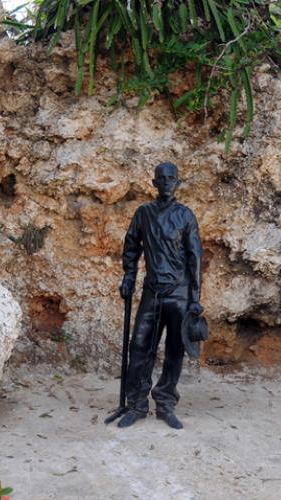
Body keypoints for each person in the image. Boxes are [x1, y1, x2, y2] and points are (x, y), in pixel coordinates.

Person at [117, 162, 203, 429]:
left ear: (177, 183)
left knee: (175, 351)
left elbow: (195, 258)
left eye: (171, 179)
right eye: (161, 179)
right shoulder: (143, 213)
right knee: (140, 346)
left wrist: (196, 297)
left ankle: (165, 403)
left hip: (179, 294)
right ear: (154, 183)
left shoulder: (186, 216)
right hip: (152, 292)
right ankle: (137, 404)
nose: (166, 182)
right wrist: (129, 275)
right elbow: (131, 246)